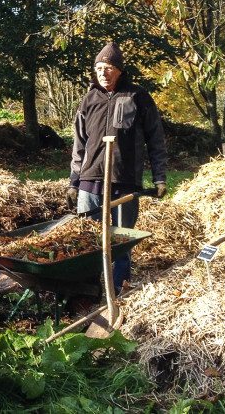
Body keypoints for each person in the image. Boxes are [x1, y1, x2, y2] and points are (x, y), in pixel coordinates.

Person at [68, 42, 167, 291]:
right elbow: (79, 144)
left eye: (109, 67)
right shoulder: (88, 99)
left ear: (120, 71)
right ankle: (88, 295)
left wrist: (160, 177)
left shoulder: (137, 97)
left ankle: (120, 292)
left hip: (125, 183)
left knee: (120, 243)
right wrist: (74, 181)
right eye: (99, 68)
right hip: (90, 183)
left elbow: (155, 138)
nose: (103, 73)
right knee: (87, 242)